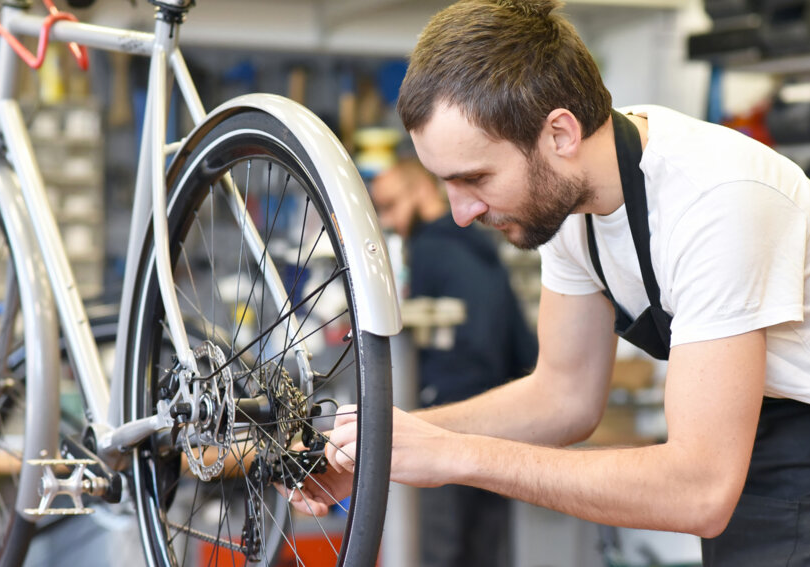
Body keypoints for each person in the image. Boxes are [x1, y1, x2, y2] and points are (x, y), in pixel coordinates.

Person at [290, 1, 810, 565]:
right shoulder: (570, 204)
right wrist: (378, 446)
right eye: (446, 183)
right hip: (757, 450)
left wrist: (458, 457)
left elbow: (698, 489)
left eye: (475, 178)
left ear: (560, 133)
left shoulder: (714, 201)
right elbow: (562, 396)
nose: (459, 213)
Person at [370, 158, 538, 567]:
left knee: (438, 552)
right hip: (499, 426)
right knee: (489, 554)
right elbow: (526, 348)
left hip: (441, 422)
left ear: (423, 192)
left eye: (391, 205)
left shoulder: (427, 249)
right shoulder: (486, 251)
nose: (388, 221)